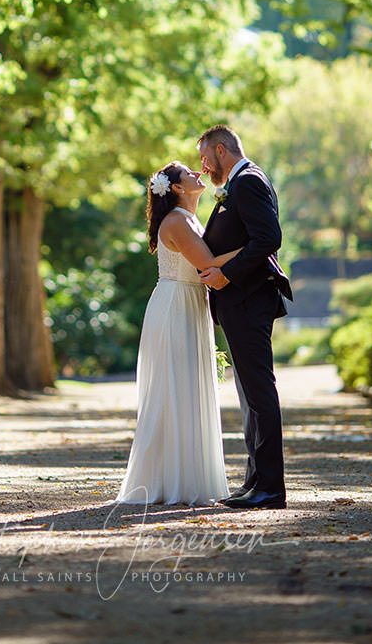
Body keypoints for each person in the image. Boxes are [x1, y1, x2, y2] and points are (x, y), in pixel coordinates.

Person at [115, 162, 240, 506]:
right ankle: (169, 481)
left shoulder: (189, 218)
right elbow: (208, 263)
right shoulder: (178, 222)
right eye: (189, 173)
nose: (197, 174)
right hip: (175, 307)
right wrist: (254, 250)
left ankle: (186, 477)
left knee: (185, 389)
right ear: (177, 189)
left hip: (189, 303)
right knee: (174, 389)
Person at [197, 124, 293, 510]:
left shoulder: (248, 181)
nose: (203, 167)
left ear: (222, 151)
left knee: (259, 392)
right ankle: (255, 480)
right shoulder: (237, 183)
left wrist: (226, 274)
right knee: (249, 396)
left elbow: (268, 239)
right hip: (239, 302)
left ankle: (271, 488)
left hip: (249, 298)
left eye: (205, 157)